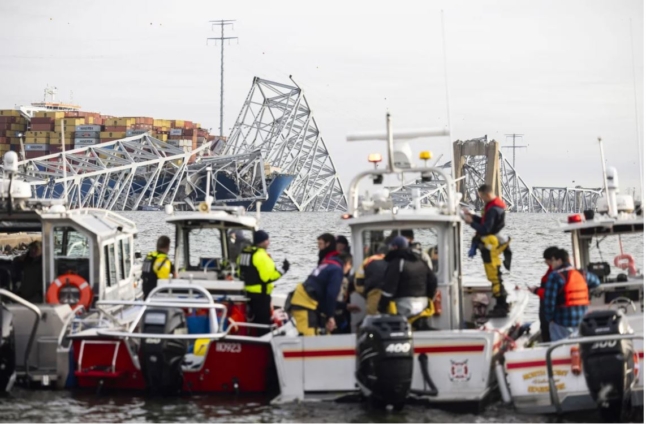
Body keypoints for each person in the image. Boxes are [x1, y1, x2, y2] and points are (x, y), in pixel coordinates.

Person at [462, 184, 512, 317]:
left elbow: (486, 229)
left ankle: (501, 306)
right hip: (492, 245)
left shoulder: (493, 209)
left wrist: (470, 223)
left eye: (482, 197)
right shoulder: (494, 207)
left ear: (486, 194)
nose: (482, 200)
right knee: (495, 276)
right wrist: (472, 216)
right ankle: (502, 304)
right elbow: (485, 222)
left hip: (491, 247)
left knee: (494, 277)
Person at [378, 236, 438, 331]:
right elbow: (433, 281)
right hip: (423, 303)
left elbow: (389, 288)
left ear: (394, 248)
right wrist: (429, 297)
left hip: (404, 305)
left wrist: (381, 306)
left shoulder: (397, 262)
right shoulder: (421, 261)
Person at [288, 252, 353, 336]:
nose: (349, 269)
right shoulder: (337, 270)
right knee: (309, 339)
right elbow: (331, 295)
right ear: (347, 263)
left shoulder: (327, 266)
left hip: (305, 300)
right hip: (304, 304)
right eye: (350, 266)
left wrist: (345, 306)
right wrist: (331, 316)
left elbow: (324, 298)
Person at [238, 230, 289, 335]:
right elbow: (268, 277)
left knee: (252, 320)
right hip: (261, 295)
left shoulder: (244, 253)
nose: (268, 242)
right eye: (267, 240)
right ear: (261, 242)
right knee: (263, 324)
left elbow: (239, 272)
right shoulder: (261, 255)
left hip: (246, 293)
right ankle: (264, 343)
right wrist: (284, 269)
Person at [543, 248, 600, 341]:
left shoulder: (554, 276)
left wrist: (550, 319)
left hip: (562, 323)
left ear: (559, 261)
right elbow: (596, 282)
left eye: (553, 260)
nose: (551, 264)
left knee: (559, 349)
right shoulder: (582, 273)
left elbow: (549, 303)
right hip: (581, 321)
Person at [529, 246, 559, 342]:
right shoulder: (553, 271)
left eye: (546, 260)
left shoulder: (555, 273)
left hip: (549, 309)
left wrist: (536, 291)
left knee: (548, 331)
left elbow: (550, 294)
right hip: (547, 308)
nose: (545, 262)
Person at [355, 244, 389, 315]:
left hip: (373, 293)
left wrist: (364, 293)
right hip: (390, 294)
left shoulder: (367, 261)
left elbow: (359, 279)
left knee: (372, 318)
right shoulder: (392, 261)